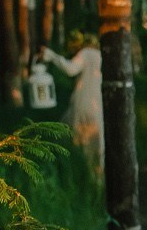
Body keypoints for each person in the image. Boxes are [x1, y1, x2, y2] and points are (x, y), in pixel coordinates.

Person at [40, 33, 104, 174]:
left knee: (74, 138)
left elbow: (70, 69)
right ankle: (97, 179)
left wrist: (51, 56)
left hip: (83, 103)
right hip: (98, 105)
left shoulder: (86, 53)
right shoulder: (102, 56)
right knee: (96, 143)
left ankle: (74, 173)